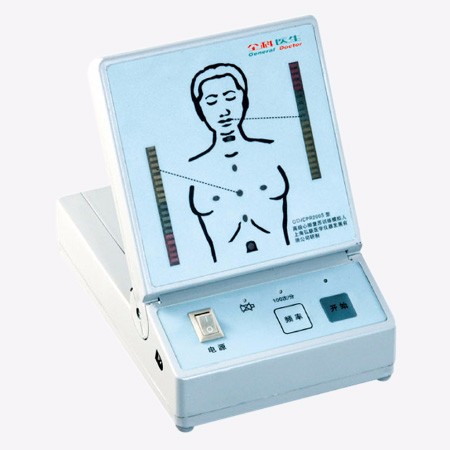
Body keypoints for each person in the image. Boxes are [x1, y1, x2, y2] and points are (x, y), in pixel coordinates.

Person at [188, 63, 290, 263]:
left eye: (230, 97)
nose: (223, 110)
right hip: (224, 271)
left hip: (287, 261)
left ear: (244, 99)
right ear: (200, 110)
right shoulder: (195, 170)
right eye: (211, 101)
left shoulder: (270, 152)